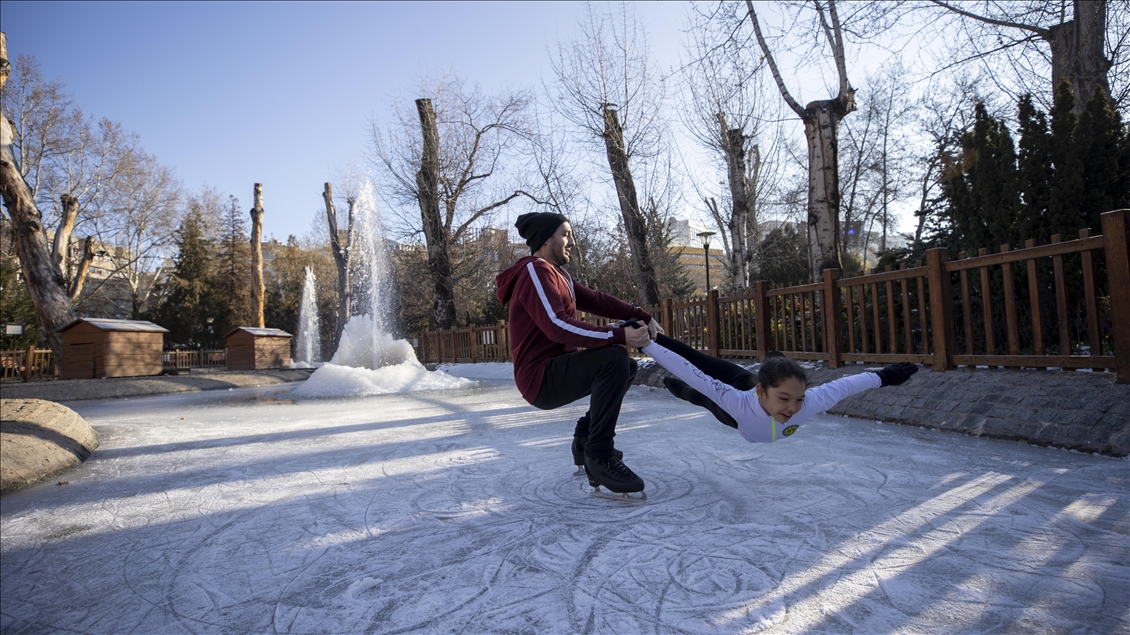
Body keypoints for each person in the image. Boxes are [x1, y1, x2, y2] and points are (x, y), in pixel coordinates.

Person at [495, 212, 662, 496]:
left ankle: (586, 438)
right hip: (539, 377)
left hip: (556, 367)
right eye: (565, 234)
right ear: (546, 239)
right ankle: (600, 456)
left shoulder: (559, 274)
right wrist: (620, 335)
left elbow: (597, 301)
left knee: (626, 367)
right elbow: (557, 326)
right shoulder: (535, 271)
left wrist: (641, 316)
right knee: (614, 360)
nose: (571, 241)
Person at [641, 333, 918, 442]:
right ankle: (678, 387)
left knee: (702, 395)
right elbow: (691, 368)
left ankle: (775, 362)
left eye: (798, 399)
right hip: (737, 404)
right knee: (700, 389)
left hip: (755, 391)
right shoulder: (736, 402)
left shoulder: (808, 402)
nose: (793, 408)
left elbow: (846, 385)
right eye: (785, 399)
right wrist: (649, 342)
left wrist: (885, 376)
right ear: (762, 391)